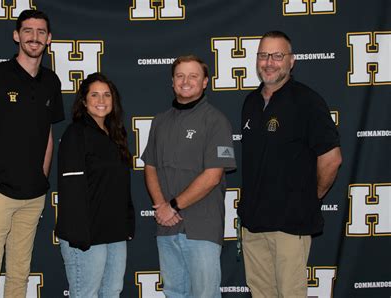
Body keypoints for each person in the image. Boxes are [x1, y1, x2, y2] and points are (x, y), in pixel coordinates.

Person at [0, 9, 64, 297]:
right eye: (28, 31)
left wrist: (41, 181)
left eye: (41, 32)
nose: (34, 37)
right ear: (16, 35)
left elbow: (47, 136)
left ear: (49, 39)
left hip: (33, 197)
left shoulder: (51, 82)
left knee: (19, 277)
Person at [238, 30, 342, 297]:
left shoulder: (308, 101)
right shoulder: (250, 103)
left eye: (277, 55)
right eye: (263, 55)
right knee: (261, 293)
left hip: (291, 225)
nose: (269, 62)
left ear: (291, 61)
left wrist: (312, 196)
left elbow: (332, 158)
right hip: (253, 225)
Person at [141, 55, 236, 298]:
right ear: (172, 82)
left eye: (193, 76)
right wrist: (162, 206)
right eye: (180, 76)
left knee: (205, 294)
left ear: (205, 82)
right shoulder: (160, 121)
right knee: (173, 293)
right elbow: (150, 166)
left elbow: (213, 176)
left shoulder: (216, 121)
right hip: (167, 229)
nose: (186, 81)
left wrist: (172, 206)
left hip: (202, 228)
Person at [55, 72, 135, 297]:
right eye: (95, 95)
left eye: (107, 95)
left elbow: (121, 187)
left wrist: (127, 224)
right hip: (86, 235)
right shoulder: (76, 134)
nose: (101, 100)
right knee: (86, 293)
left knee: (112, 291)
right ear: (84, 101)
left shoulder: (115, 135)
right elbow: (70, 189)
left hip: (115, 232)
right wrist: (79, 235)